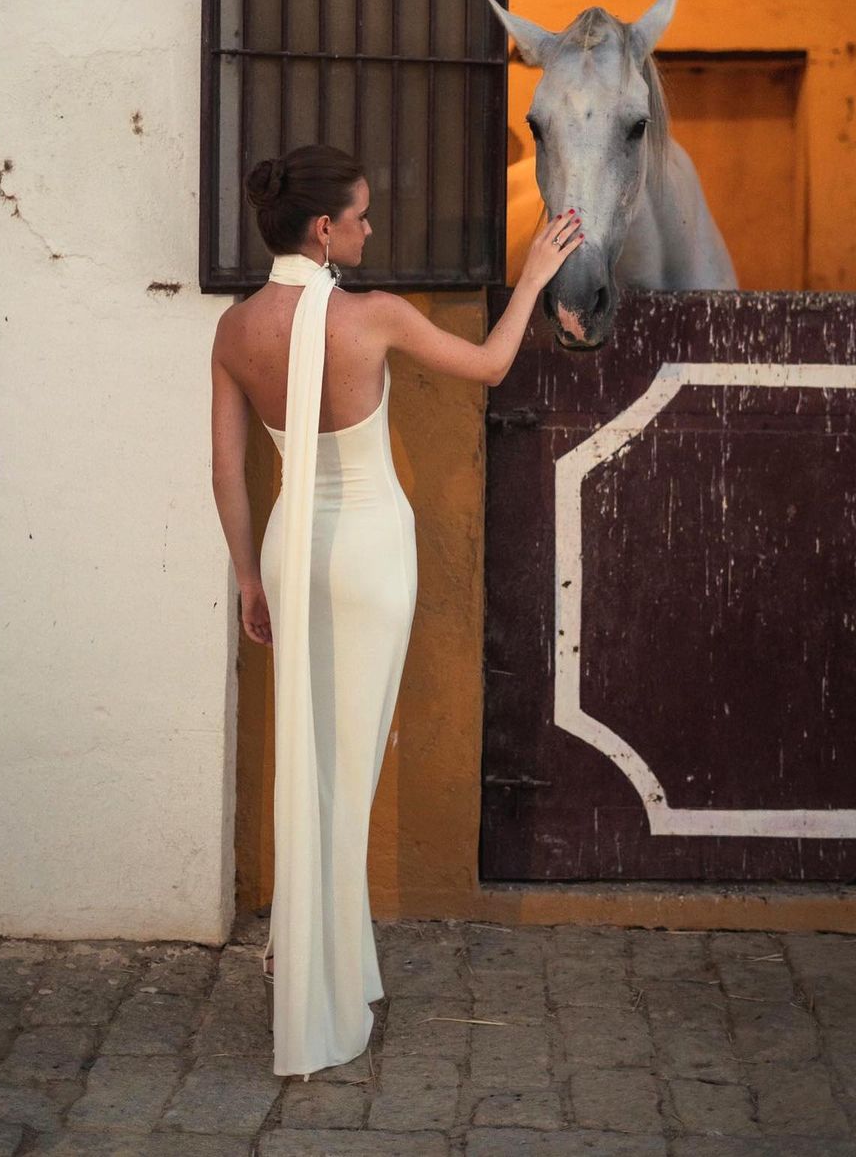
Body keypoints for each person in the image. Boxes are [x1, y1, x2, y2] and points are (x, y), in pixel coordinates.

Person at [209, 143, 583, 1080]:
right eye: (361, 216)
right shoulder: (372, 316)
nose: (371, 230)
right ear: (322, 229)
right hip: (370, 551)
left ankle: (313, 955)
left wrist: (250, 579)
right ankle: (322, 978)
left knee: (306, 755)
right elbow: (491, 366)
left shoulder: (235, 329)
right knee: (351, 766)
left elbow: (225, 470)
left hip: (289, 548)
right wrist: (534, 277)